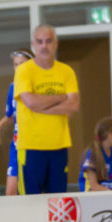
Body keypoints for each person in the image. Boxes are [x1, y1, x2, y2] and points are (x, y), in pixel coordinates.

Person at [14, 25, 79, 194]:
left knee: (57, 202)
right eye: (40, 41)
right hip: (31, 146)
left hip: (59, 145)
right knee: (30, 202)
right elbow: (29, 102)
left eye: (48, 41)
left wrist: (41, 105)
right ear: (33, 44)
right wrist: (60, 97)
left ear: (56, 44)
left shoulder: (66, 71)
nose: (44, 45)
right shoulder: (24, 70)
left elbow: (73, 104)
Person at [0, 48, 32, 196]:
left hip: (34, 143)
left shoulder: (36, 86)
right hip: (17, 144)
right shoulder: (13, 86)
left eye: (22, 63)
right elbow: (11, 115)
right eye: (15, 64)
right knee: (11, 192)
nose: (18, 67)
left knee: (35, 191)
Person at [79, 117, 112, 192]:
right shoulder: (92, 154)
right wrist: (110, 195)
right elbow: (93, 186)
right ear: (109, 134)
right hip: (93, 198)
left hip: (109, 196)